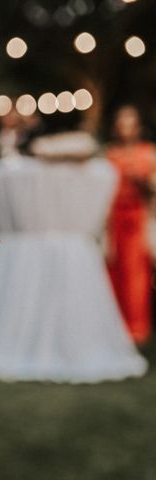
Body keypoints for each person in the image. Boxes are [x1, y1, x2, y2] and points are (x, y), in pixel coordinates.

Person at [107, 105, 156, 345]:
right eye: (121, 123)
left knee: (137, 273)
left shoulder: (149, 153)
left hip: (137, 218)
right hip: (113, 218)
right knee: (113, 271)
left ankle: (137, 328)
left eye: (130, 123)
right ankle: (115, 326)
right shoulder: (109, 155)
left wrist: (144, 183)